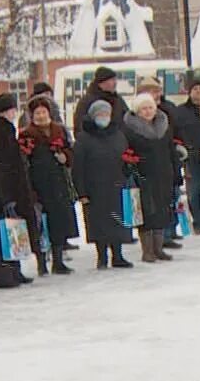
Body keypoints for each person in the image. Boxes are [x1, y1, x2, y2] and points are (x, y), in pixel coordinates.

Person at [0, 92, 41, 288]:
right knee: (1, 231)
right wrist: (7, 197)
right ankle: (2, 273)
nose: (14, 112)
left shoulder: (1, 130)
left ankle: (14, 268)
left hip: (6, 191)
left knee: (13, 230)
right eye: (12, 109)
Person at [72, 93, 136, 270]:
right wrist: (82, 192)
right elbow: (78, 167)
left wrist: (129, 168)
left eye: (106, 114)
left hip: (117, 185)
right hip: (95, 188)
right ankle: (102, 256)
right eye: (100, 115)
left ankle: (118, 255)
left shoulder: (118, 135)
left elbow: (127, 156)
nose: (103, 118)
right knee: (99, 223)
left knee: (118, 222)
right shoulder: (84, 139)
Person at [19, 93, 77, 275]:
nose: (41, 116)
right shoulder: (27, 134)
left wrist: (65, 157)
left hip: (58, 184)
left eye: (43, 112)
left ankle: (58, 260)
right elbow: (22, 159)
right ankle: (41, 262)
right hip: (38, 184)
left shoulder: (58, 130)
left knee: (59, 223)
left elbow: (70, 150)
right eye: (37, 113)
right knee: (40, 225)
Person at [123, 93, 178, 263]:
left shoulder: (164, 125)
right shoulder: (129, 129)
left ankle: (158, 248)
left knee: (162, 210)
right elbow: (125, 152)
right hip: (142, 175)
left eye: (150, 108)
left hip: (163, 174)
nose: (147, 112)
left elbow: (171, 151)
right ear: (137, 111)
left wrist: (176, 172)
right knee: (146, 212)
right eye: (143, 109)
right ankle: (147, 250)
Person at [171, 73, 200, 234]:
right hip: (190, 156)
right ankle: (198, 222)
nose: (198, 92)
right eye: (195, 89)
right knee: (194, 191)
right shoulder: (181, 112)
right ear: (189, 92)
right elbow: (175, 133)